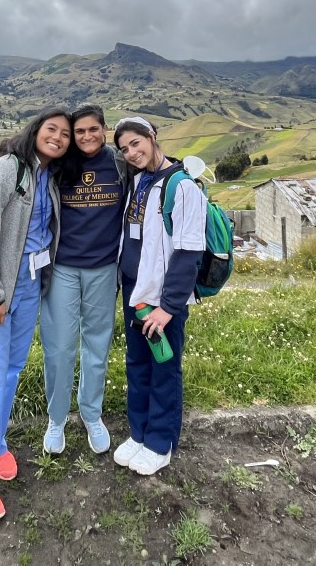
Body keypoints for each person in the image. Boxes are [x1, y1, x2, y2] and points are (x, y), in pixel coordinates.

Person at [0, 106, 72, 523]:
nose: (59, 137)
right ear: (36, 130)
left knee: (11, 371)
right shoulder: (9, 168)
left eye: (65, 134)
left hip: (29, 287)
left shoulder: (48, 177)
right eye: (52, 129)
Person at [111, 116, 205, 476]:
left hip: (161, 301)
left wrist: (168, 307)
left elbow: (188, 252)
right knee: (137, 364)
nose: (132, 152)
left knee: (164, 367)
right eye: (125, 148)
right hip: (135, 294)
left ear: (152, 137)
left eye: (136, 143)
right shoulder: (137, 182)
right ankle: (139, 433)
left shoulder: (181, 188)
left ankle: (160, 443)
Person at [40, 103, 127, 456]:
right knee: (59, 348)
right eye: (79, 131)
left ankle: (92, 414)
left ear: (104, 130)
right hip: (62, 267)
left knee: (97, 347)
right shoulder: (60, 165)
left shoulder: (120, 164)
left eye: (93, 129)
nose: (87, 136)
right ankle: (56, 419)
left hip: (104, 269)